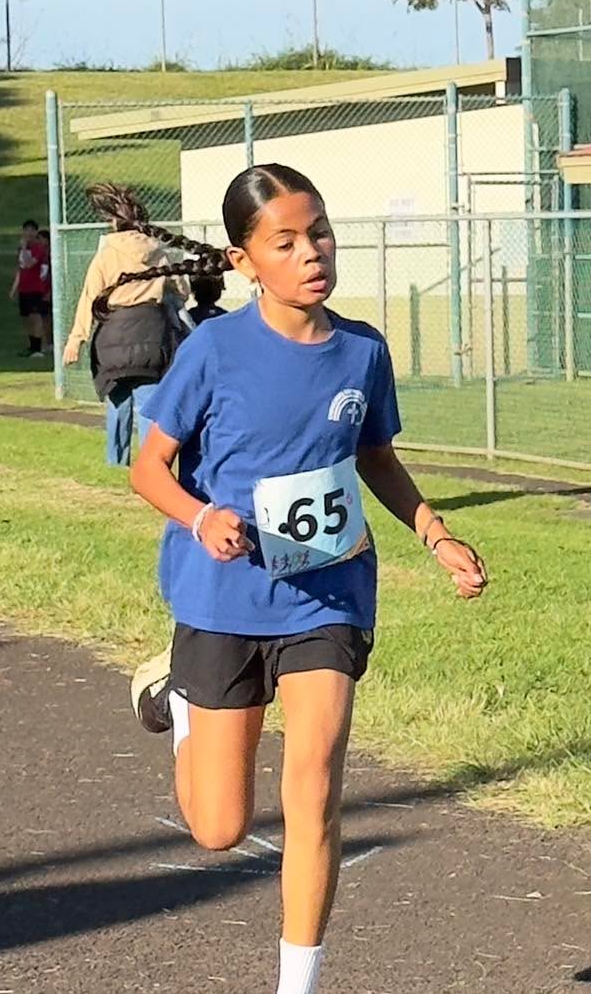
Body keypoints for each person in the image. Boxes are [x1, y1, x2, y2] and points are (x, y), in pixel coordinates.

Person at [127, 163, 488, 994]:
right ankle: (179, 699)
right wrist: (198, 516)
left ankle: (298, 984)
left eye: (319, 231)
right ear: (245, 259)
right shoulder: (214, 349)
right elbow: (150, 467)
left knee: (315, 778)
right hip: (223, 593)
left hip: (327, 590)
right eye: (285, 242)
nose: (311, 253)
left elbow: (375, 456)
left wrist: (434, 533)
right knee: (220, 827)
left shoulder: (362, 350)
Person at [63, 183, 190, 466]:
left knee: (118, 401)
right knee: (149, 404)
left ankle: (116, 460)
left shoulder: (107, 253)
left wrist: (77, 337)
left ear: (114, 221)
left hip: (115, 333)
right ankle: (150, 464)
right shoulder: (158, 250)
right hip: (153, 332)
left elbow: (90, 294)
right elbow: (181, 289)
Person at [9, 219, 48, 358]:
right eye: (26, 230)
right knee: (26, 319)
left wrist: (25, 248)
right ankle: (31, 346)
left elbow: (29, 264)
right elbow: (20, 268)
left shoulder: (38, 248)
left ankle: (39, 348)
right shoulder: (22, 248)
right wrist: (14, 288)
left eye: (32, 230)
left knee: (35, 317)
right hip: (24, 289)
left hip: (35, 288)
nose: (29, 233)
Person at [37, 228, 53, 349]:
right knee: (42, 317)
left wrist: (49, 291)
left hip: (48, 290)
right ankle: (46, 342)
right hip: (40, 290)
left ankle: (51, 341)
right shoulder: (39, 254)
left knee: (48, 317)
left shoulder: (51, 255)